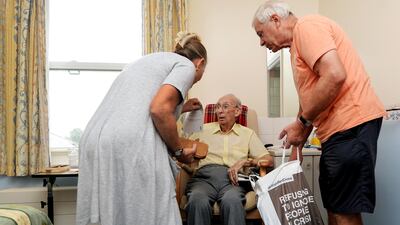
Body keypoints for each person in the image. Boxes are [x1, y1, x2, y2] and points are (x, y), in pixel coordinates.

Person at [252, 1, 386, 225]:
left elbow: (334, 75)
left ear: (275, 20)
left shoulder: (307, 26)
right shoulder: (297, 44)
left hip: (350, 126)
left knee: (343, 211)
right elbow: (312, 97)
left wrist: (301, 122)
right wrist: (300, 141)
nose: (261, 42)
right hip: (339, 132)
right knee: (334, 206)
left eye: (260, 34)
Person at [76, 32, 207, 225]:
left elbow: (139, 104)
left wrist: (182, 107)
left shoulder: (148, 61)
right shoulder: (186, 66)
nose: (194, 81)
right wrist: (179, 151)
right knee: (154, 210)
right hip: (129, 141)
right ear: (200, 63)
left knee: (113, 214)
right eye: (198, 78)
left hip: (94, 139)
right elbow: (159, 109)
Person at [185, 94, 273, 225]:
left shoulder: (247, 133)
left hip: (233, 181)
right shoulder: (203, 129)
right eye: (218, 107)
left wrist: (245, 161)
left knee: (232, 201)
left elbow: (268, 159)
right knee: (197, 200)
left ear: (237, 111)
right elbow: (182, 145)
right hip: (203, 179)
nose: (220, 111)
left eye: (225, 107)